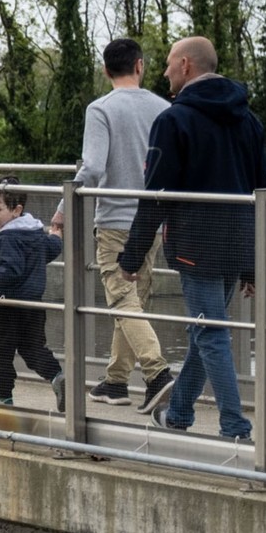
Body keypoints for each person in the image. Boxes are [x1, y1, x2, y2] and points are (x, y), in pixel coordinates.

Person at [119, 36, 266, 439]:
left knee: (209, 332)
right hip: (236, 243)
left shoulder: (174, 120)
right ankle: (180, 413)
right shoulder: (248, 120)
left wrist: (131, 257)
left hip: (195, 248)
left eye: (169, 63)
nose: (164, 71)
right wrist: (253, 260)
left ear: (186, 65)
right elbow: (262, 194)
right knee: (205, 329)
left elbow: (155, 194)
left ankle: (235, 427)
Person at [51, 38, 173, 412]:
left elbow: (92, 168)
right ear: (140, 66)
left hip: (116, 220)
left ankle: (157, 373)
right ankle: (115, 381)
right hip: (152, 219)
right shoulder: (164, 108)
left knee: (122, 299)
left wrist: (61, 211)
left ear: (106, 70)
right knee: (133, 301)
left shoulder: (100, 108)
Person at [0, 178, 65, 411]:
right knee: (33, 350)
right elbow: (49, 251)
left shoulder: (8, 238)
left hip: (8, 305)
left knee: (0, 352)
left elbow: (11, 271)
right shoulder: (35, 232)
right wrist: (56, 236)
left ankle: (4, 397)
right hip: (33, 306)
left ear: (17, 210)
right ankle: (57, 376)